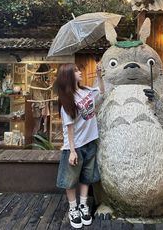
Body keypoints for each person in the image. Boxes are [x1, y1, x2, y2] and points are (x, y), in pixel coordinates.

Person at [56, 63, 104, 229]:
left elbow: (102, 92)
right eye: (76, 71)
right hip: (74, 147)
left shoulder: (86, 91)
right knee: (70, 180)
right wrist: (72, 151)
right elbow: (68, 127)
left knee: (87, 177)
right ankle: (73, 208)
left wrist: (99, 76)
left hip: (90, 142)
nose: (80, 72)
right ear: (68, 76)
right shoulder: (67, 100)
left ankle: (83, 206)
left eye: (78, 69)